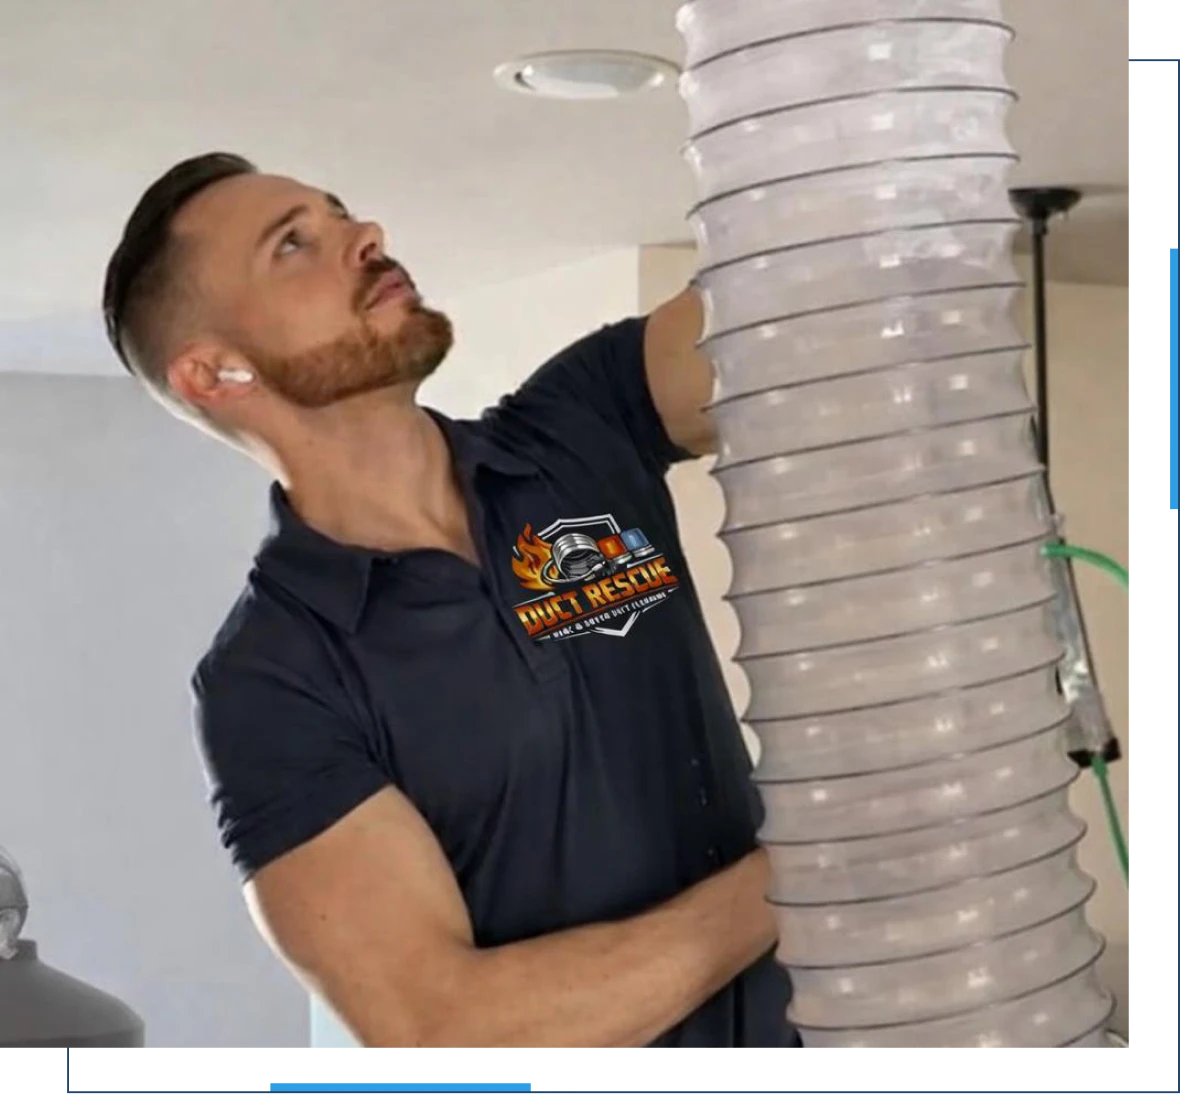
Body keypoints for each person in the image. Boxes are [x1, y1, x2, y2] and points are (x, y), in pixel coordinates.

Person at [101, 152, 798, 1049]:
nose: (366, 236)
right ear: (216, 372)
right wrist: (803, 873)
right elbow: (449, 1029)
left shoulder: (578, 428)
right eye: (292, 245)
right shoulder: (273, 681)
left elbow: (803, 318)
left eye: (340, 213)